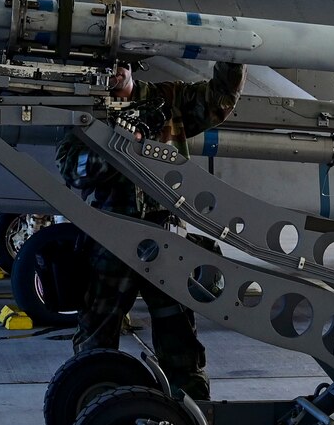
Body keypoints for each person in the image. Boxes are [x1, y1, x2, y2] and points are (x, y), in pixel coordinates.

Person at [60, 59, 244, 402]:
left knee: (179, 340)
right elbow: (72, 170)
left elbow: (219, 99)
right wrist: (118, 147)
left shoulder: (167, 100)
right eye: (103, 64)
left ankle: (190, 414)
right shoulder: (88, 112)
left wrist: (229, 54)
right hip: (111, 240)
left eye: (118, 63)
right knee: (95, 339)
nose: (112, 71)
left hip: (167, 239)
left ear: (130, 65)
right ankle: (90, 408)